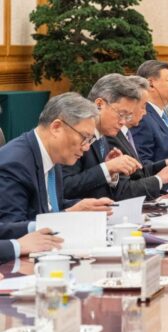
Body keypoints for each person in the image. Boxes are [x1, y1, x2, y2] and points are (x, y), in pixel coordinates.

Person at [0, 93, 113, 235]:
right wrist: (68, 214)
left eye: (90, 140)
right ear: (56, 127)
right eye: (84, 138)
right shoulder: (15, 164)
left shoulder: (54, 155)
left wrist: (81, 206)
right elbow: (10, 228)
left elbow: (49, 206)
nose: (86, 147)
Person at [63, 74, 168, 200]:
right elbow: (64, 187)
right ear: (99, 104)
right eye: (121, 114)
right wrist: (107, 168)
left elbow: (113, 185)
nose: (123, 122)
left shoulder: (104, 135)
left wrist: (112, 173)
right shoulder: (75, 134)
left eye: (127, 116)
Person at [110, 77, 168, 190]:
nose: (145, 112)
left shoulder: (124, 133)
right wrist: (161, 179)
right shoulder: (112, 135)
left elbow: (139, 171)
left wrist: (166, 164)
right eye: (143, 106)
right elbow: (124, 188)